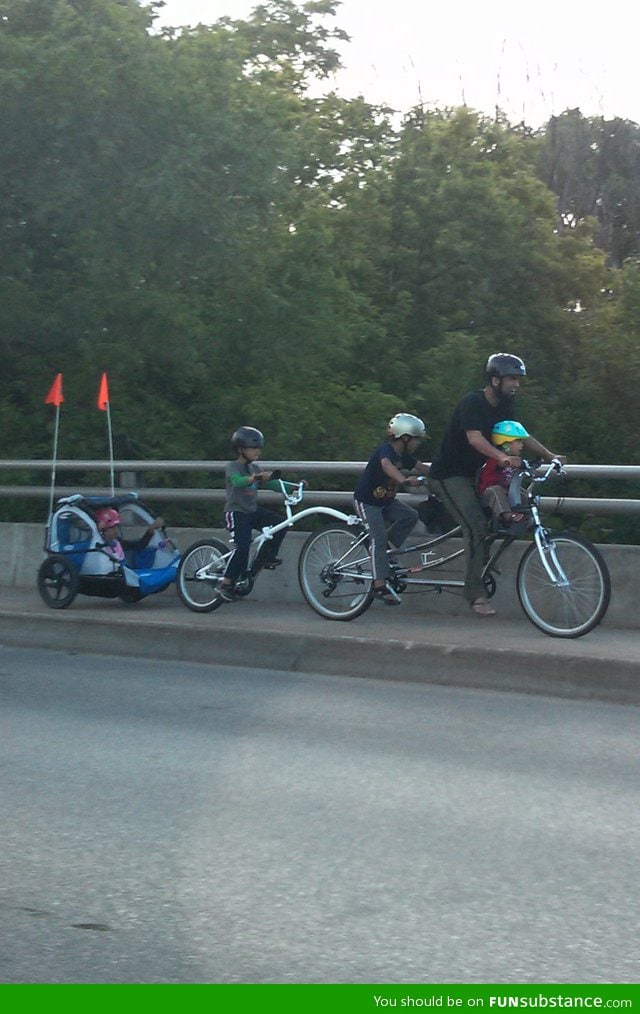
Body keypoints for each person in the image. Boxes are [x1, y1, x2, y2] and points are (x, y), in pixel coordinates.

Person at [428, 353, 564, 617]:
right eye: (512, 378)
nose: (517, 384)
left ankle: (482, 562)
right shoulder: (472, 403)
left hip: (477, 477)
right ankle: (475, 594)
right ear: (494, 379)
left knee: (512, 512)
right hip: (448, 475)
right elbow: (475, 439)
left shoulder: (505, 407)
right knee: (475, 526)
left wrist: (551, 456)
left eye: (518, 379)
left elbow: (520, 434)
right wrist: (502, 457)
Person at [218, 426, 301, 602]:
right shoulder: (232, 467)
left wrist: (293, 487)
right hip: (236, 512)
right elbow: (238, 482)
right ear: (241, 449)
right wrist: (255, 478)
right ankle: (226, 583)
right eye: (253, 448)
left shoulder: (255, 467)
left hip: (252, 511)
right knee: (243, 547)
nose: (257, 451)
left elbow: (273, 485)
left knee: (280, 523)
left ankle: (268, 556)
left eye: (258, 448)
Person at [354, 412, 430, 605]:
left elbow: (423, 468)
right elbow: (386, 466)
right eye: (416, 439)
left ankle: (384, 552)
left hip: (386, 501)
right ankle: (379, 584)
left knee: (410, 516)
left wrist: (444, 476)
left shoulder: (406, 456)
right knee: (377, 538)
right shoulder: (386, 451)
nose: (418, 443)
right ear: (404, 438)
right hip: (367, 502)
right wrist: (404, 480)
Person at [477, 420, 529, 527]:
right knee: (496, 490)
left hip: (505, 489)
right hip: (488, 492)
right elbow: (501, 462)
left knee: (523, 493)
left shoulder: (512, 460)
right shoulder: (496, 458)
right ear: (506, 444)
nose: (522, 445)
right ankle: (507, 515)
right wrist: (507, 461)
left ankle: (525, 514)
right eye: (518, 441)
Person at [95, 507, 165, 562]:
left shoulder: (117, 542)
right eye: (112, 528)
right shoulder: (96, 547)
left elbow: (139, 545)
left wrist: (151, 529)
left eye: (116, 527)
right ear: (103, 529)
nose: (116, 531)